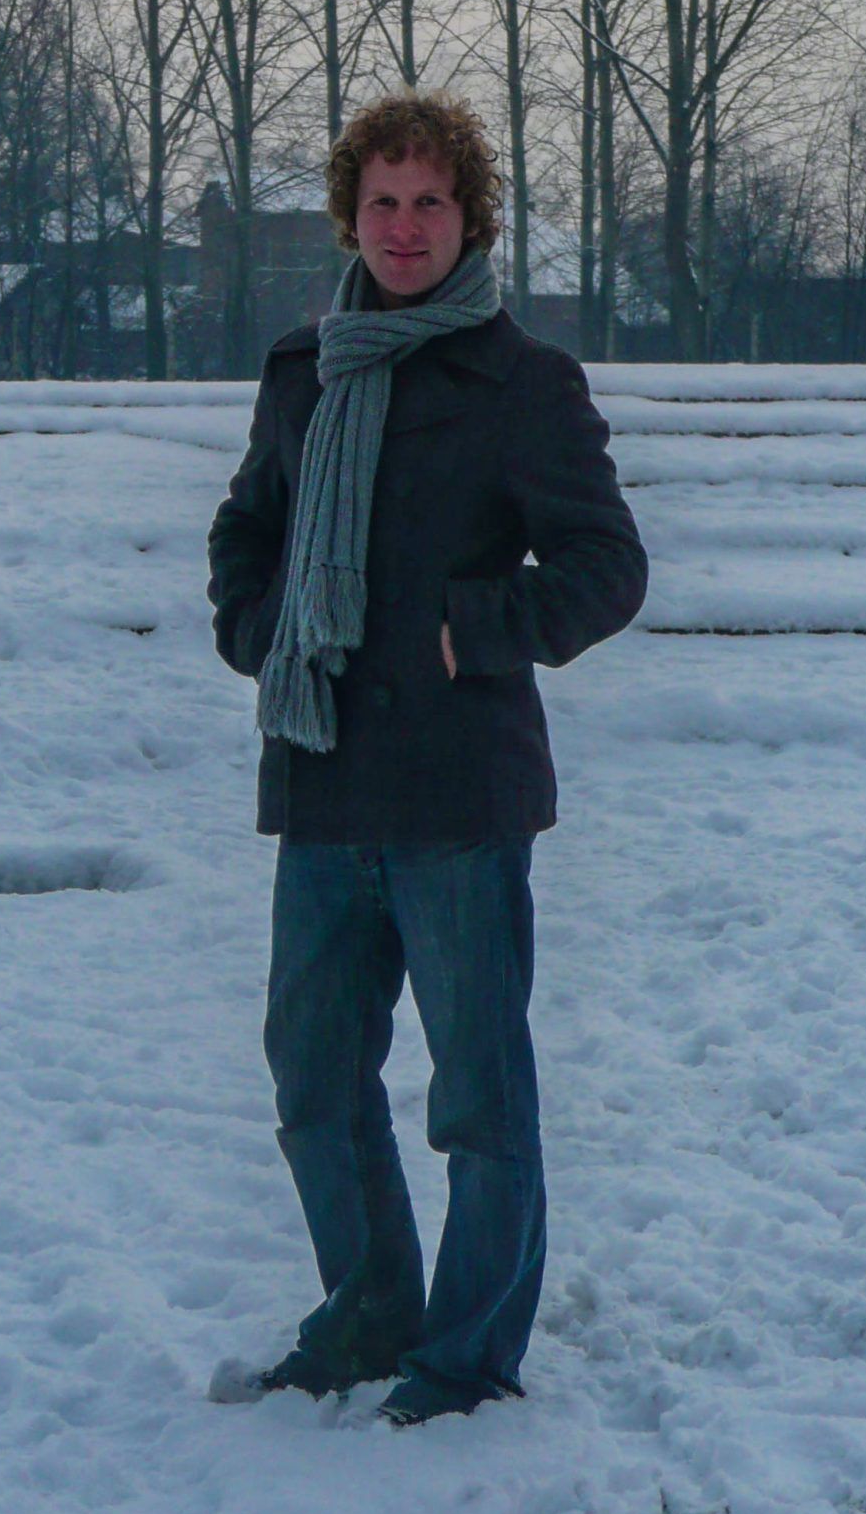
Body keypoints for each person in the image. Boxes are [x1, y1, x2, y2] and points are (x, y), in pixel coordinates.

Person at [205, 87, 648, 1427]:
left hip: (460, 791)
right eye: (384, 202)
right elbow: (247, 534)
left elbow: (605, 569)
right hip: (326, 777)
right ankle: (370, 1314)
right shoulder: (304, 370)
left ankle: (465, 1360)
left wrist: (474, 628)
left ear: (472, 221)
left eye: (431, 204)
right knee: (316, 1084)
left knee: (476, 1094)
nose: (405, 227)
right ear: (351, 214)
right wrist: (258, 628)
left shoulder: (524, 384)